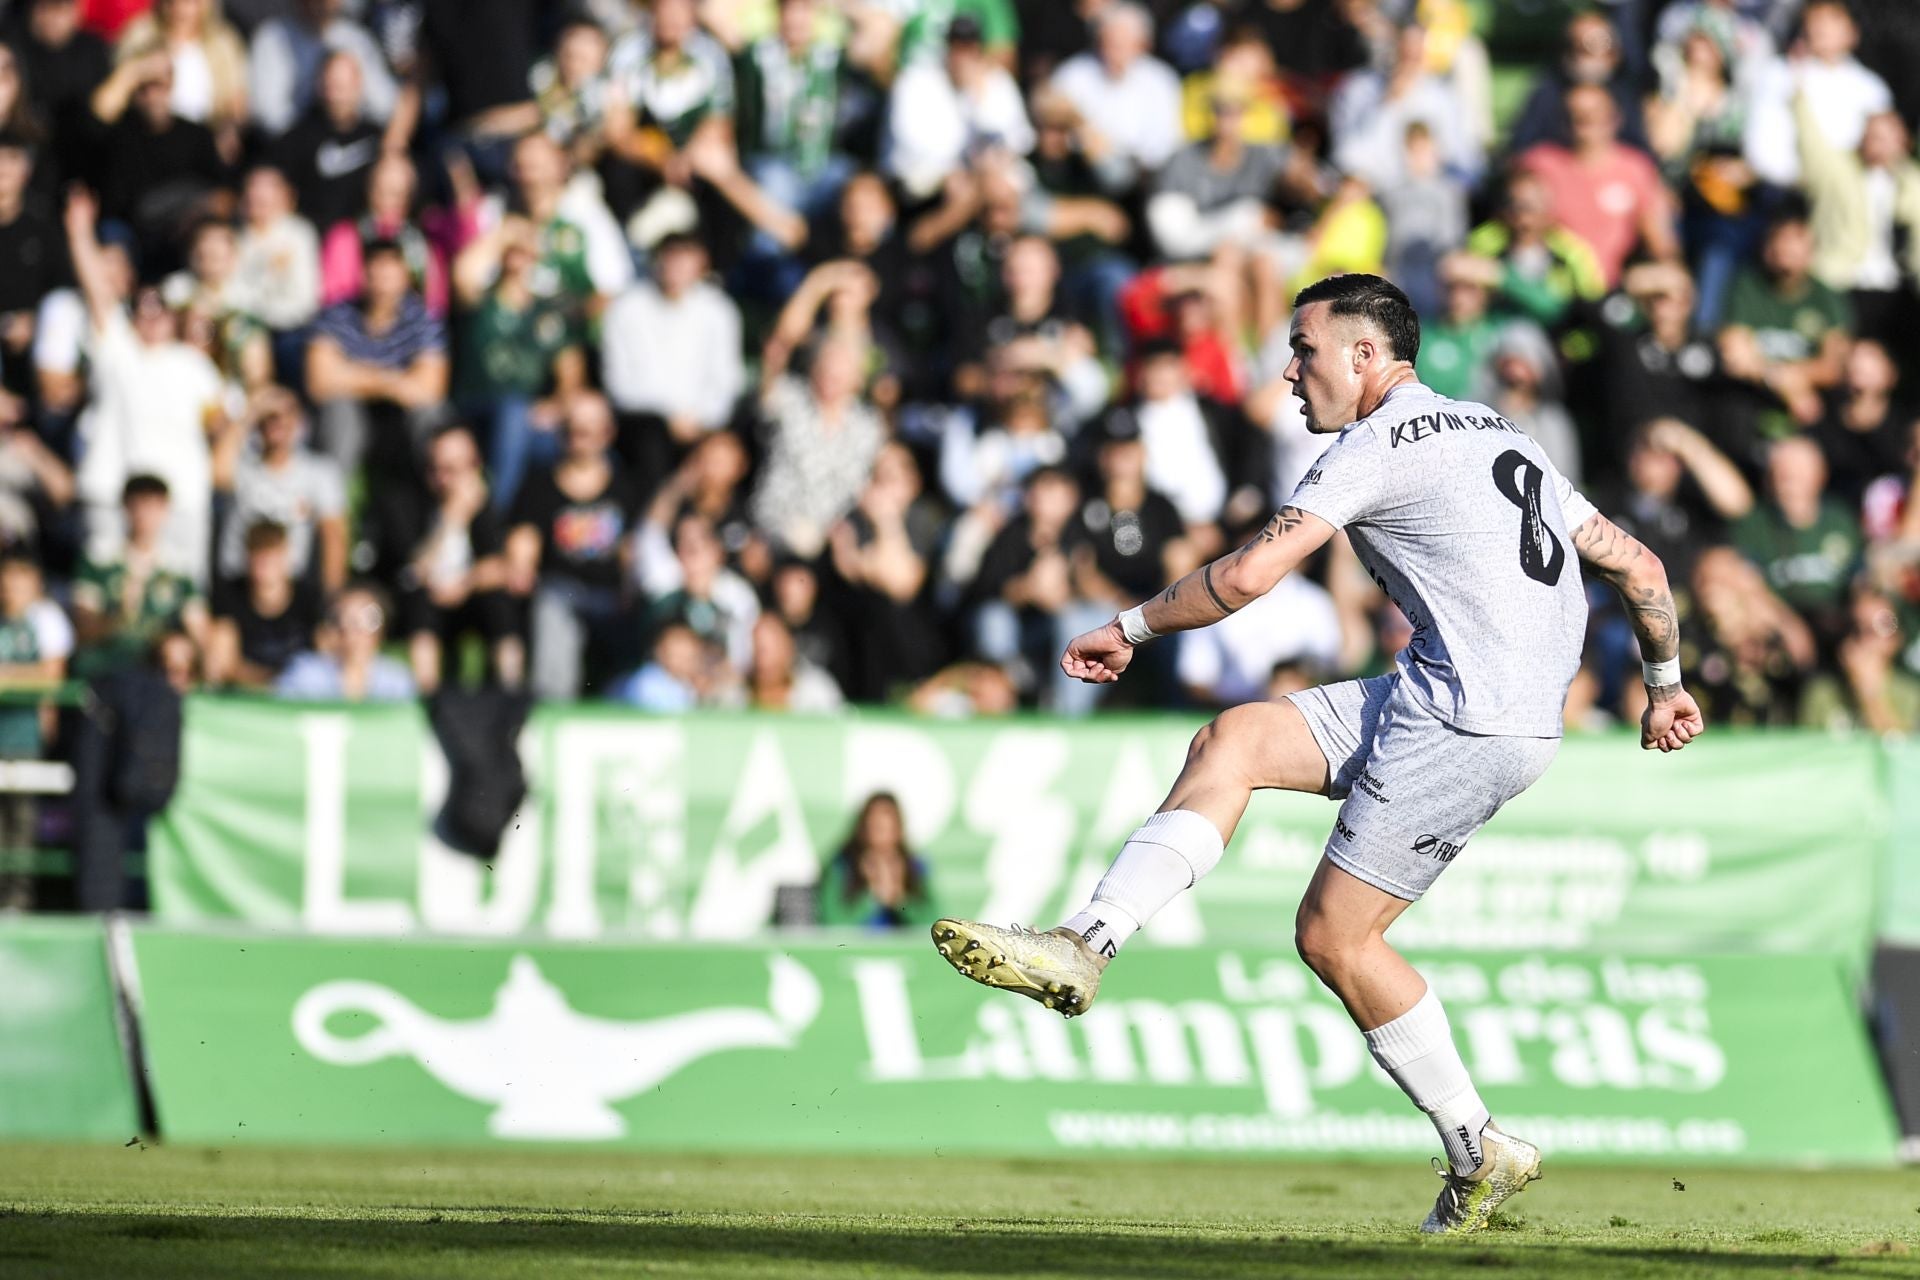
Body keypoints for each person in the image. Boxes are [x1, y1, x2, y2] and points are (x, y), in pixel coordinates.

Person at [930, 275, 1703, 1234]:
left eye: (1303, 349)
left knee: (1335, 937)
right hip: (1450, 692)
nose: (1289, 371)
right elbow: (1638, 563)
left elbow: (1250, 575)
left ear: (1365, 358)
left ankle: (1478, 1145)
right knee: (1237, 736)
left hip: (1465, 720)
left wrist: (1128, 626)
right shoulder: (1501, 431)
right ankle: (1085, 945)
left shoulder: (1375, 445)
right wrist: (1665, 683)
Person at [817, 791, 938, 928]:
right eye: (875, 827)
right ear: (862, 829)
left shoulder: (915, 866)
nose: (881, 840)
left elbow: (933, 921)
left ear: (898, 831)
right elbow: (833, 923)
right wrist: (873, 898)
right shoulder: (841, 865)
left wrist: (899, 900)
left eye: (885, 829)